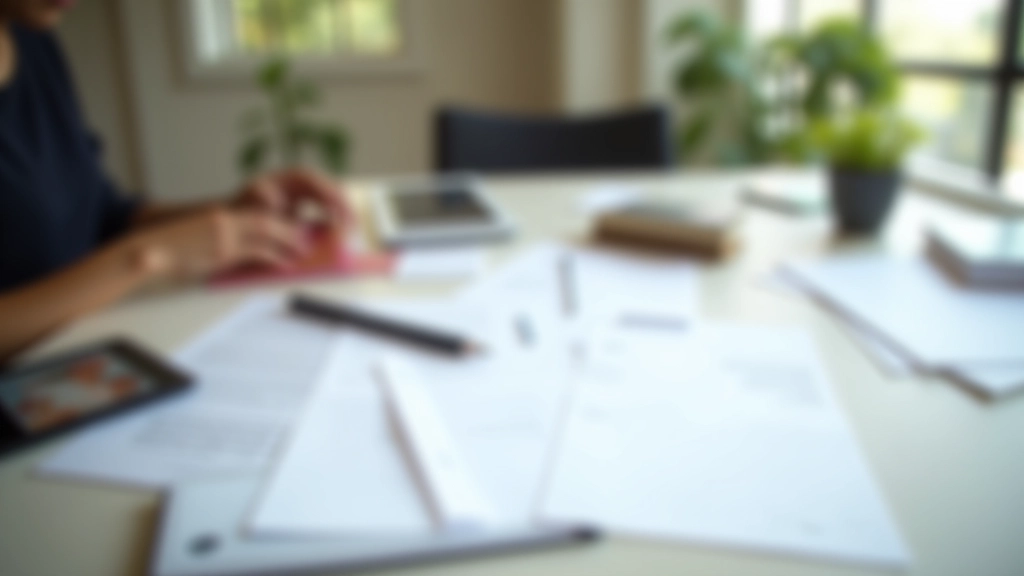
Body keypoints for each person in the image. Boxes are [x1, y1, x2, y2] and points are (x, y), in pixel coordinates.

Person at [0, 0, 350, 362]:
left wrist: (231, 213)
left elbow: (101, 215)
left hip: (89, 348)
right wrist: (146, 258)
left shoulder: (33, 38)